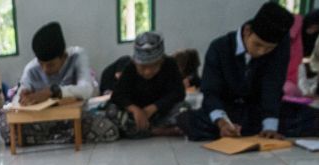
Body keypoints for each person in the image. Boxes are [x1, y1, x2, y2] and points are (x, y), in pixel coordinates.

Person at [177, 3, 294, 141]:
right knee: (188, 120)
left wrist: (270, 127)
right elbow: (210, 92)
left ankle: (253, 129)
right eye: (258, 45)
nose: (261, 52)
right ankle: (237, 130)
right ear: (247, 31)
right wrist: (222, 122)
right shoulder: (219, 48)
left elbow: (272, 87)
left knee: (309, 117)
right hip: (228, 110)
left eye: (268, 49)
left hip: (257, 111)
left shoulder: (280, 47)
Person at [0, 22, 119, 144]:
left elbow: (87, 90)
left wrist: (53, 91)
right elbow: (16, 101)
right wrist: (22, 98)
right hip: (42, 121)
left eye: (50, 65)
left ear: (63, 56)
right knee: (3, 118)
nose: (44, 69)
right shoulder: (31, 69)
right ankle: (64, 137)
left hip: (73, 119)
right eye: (41, 63)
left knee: (109, 129)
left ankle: (41, 139)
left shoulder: (77, 56)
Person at [107, 32, 186, 138]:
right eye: (143, 67)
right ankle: (156, 131)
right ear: (135, 62)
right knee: (112, 111)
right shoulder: (130, 68)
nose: (148, 72)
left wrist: (153, 108)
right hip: (136, 116)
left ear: (161, 61)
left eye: (153, 66)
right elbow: (117, 96)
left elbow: (179, 92)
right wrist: (134, 109)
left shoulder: (170, 65)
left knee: (185, 110)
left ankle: (145, 131)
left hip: (161, 112)